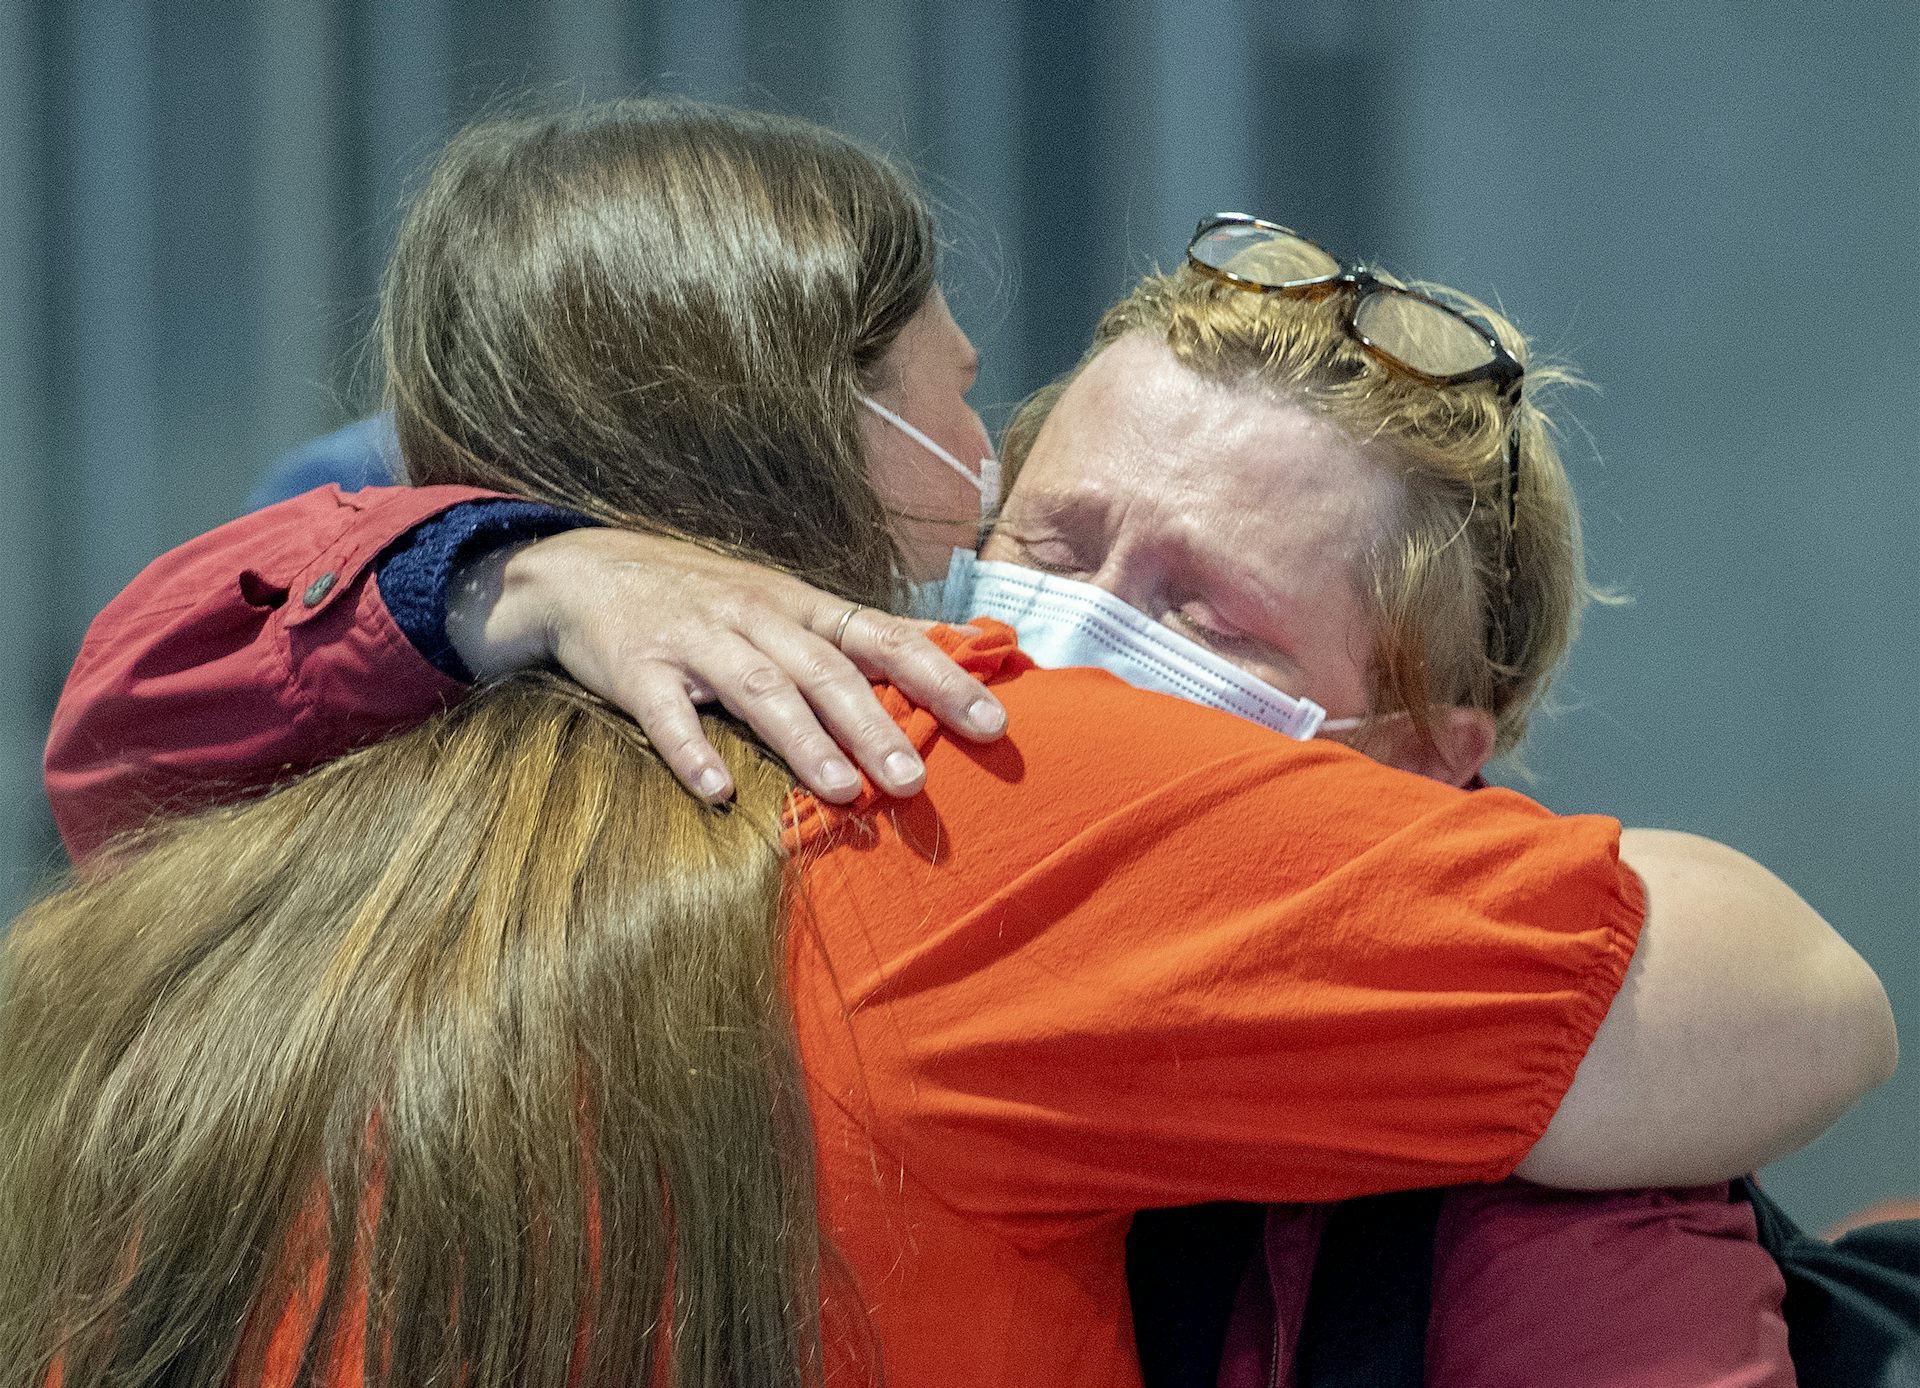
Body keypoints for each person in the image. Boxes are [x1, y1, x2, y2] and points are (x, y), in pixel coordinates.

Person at [17, 101, 1893, 1388]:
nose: (1079, 635)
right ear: (883, 460)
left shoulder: (295, 832)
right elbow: (1801, 995)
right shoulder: (959, 787)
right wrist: (511, 571)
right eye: (1051, 541)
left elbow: (136, 711)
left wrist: (504, 578)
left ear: (1429, 750)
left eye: (1206, 616)